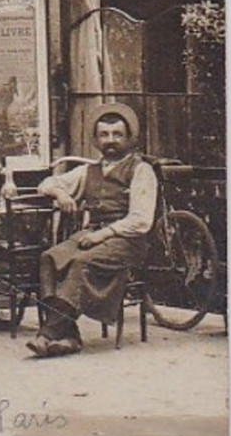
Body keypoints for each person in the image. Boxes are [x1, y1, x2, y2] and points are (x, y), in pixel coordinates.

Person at [27, 103, 157, 359]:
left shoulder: (141, 170)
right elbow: (46, 183)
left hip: (126, 241)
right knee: (49, 258)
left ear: (129, 137)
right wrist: (61, 193)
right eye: (104, 135)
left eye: (117, 134)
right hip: (92, 234)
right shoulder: (89, 171)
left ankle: (49, 333)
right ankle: (70, 334)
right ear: (96, 140)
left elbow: (141, 220)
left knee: (80, 262)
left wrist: (102, 235)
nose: (111, 141)